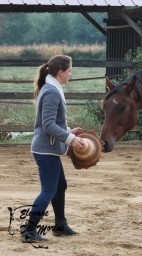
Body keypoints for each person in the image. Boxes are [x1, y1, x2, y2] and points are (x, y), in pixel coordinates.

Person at [21, 55, 85, 242]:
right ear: (60, 72)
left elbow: (53, 123)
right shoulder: (51, 92)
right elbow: (48, 125)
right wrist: (71, 139)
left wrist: (69, 132)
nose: (70, 75)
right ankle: (29, 230)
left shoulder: (51, 89)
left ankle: (60, 225)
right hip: (45, 150)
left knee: (60, 186)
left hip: (48, 149)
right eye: (70, 71)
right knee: (48, 190)